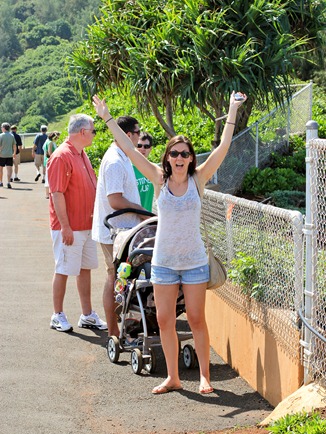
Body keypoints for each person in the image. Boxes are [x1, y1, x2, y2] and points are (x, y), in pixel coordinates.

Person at [92, 91, 247, 395]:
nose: (179, 158)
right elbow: (129, 147)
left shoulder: (198, 180)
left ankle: (204, 377)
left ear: (191, 159)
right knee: (164, 320)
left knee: (196, 319)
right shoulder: (158, 178)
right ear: (166, 158)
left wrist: (232, 109)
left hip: (193, 263)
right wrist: (107, 117)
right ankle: (173, 377)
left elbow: (223, 147)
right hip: (162, 262)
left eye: (184, 154)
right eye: (173, 154)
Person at [47, 114, 107, 332]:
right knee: (63, 268)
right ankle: (57, 314)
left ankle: (87, 314)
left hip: (86, 225)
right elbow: (57, 193)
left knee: (84, 269)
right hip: (69, 227)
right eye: (93, 130)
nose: (94, 134)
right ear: (83, 132)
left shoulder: (81, 154)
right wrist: (65, 226)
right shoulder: (61, 156)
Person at [92, 116, 149, 337]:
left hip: (124, 231)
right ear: (128, 135)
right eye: (138, 132)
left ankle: (121, 325)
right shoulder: (115, 160)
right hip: (114, 231)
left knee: (121, 278)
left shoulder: (124, 156)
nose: (140, 135)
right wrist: (141, 211)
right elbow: (115, 200)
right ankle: (113, 331)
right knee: (114, 277)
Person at [133, 132, 155, 212]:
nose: (142, 149)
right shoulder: (128, 168)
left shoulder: (153, 169)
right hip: (133, 218)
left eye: (146, 146)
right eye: (139, 146)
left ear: (150, 149)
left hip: (147, 217)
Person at [43, 131, 60, 199]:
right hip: (51, 161)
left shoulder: (47, 142)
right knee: (49, 177)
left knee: (48, 176)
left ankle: (48, 193)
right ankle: (48, 193)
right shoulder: (50, 143)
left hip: (47, 161)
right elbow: (50, 153)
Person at [0, 122, 16, 189]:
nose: (1, 128)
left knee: (1, 169)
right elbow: (14, 145)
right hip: (10, 155)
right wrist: (14, 153)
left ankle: (1, 182)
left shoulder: (1, 136)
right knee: (9, 169)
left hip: (2, 155)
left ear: (4, 128)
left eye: (1, 127)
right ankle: (8, 182)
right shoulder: (11, 136)